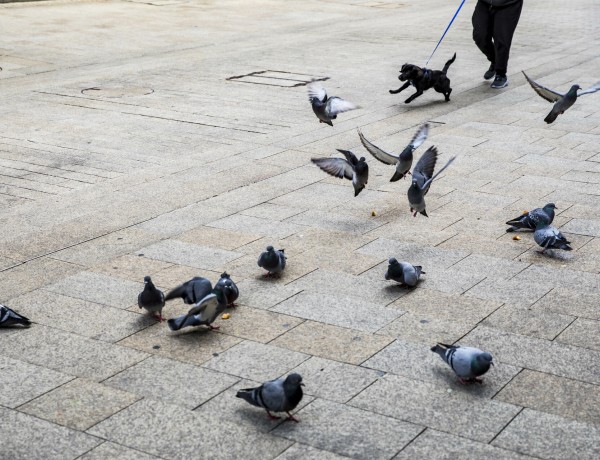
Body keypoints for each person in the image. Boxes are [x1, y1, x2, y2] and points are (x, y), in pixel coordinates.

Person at [472, 0, 523, 89]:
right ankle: (495, 61)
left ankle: (501, 73)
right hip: (485, 3)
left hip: (508, 4)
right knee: (480, 35)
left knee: (501, 38)